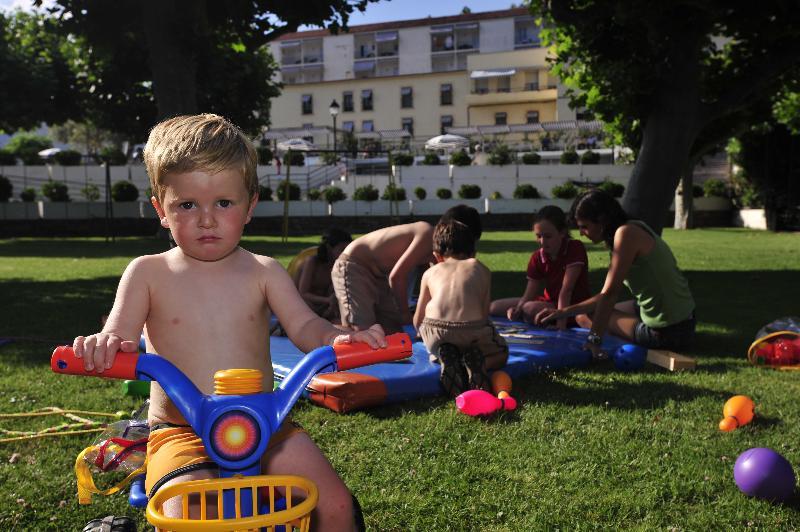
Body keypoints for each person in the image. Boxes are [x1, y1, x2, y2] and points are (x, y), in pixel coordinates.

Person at [71, 114, 385, 530]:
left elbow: (307, 328)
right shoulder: (147, 273)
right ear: (160, 209)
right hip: (181, 432)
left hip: (266, 425)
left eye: (223, 203)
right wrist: (104, 344)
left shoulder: (264, 271)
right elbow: (120, 335)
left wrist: (340, 337)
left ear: (250, 205)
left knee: (336, 505)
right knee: (192, 512)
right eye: (186, 205)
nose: (206, 218)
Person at [535, 189, 696, 358]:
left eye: (585, 226)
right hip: (684, 321)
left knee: (585, 318)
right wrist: (563, 312)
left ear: (602, 221)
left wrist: (594, 340)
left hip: (669, 333)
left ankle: (621, 335)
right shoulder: (633, 227)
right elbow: (605, 296)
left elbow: (609, 294)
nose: (582, 233)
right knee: (585, 314)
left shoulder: (625, 234)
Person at [413, 220, 508, 396]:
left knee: (438, 347)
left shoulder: (430, 273)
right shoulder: (480, 268)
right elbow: (484, 313)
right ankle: (477, 364)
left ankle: (445, 358)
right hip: (472, 330)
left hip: (436, 330)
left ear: (436, 256)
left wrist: (423, 335)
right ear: (473, 252)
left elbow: (418, 318)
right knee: (502, 353)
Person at [489, 205, 591, 329]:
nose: (542, 241)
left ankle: (549, 320)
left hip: (573, 305)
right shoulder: (538, 257)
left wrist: (561, 326)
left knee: (529, 309)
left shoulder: (574, 248)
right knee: (494, 307)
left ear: (562, 232)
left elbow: (566, 290)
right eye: (538, 236)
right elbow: (529, 293)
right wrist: (517, 309)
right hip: (549, 303)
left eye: (548, 236)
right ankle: (536, 318)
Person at [332, 221, 434, 334]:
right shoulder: (427, 234)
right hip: (354, 265)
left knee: (392, 327)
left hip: (378, 274)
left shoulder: (437, 250)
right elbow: (397, 277)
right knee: (361, 330)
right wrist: (405, 313)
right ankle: (326, 335)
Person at [296, 228, 352, 320]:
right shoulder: (312, 262)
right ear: (329, 248)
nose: (346, 254)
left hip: (322, 305)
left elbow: (335, 293)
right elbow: (303, 293)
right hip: (302, 303)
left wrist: (332, 304)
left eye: (348, 251)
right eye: (342, 250)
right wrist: (328, 300)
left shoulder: (339, 266)